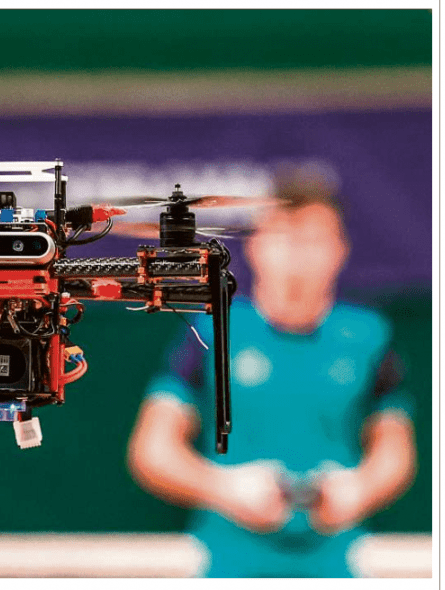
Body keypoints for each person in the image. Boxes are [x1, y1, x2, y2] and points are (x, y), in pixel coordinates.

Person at [126, 167, 416, 577]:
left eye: (313, 239)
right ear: (256, 245)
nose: (298, 255)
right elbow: (152, 450)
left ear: (340, 248)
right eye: (285, 236)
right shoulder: (210, 333)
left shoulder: (368, 337)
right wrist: (223, 487)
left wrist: (358, 489)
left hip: (336, 563)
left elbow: (395, 449)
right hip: (228, 563)